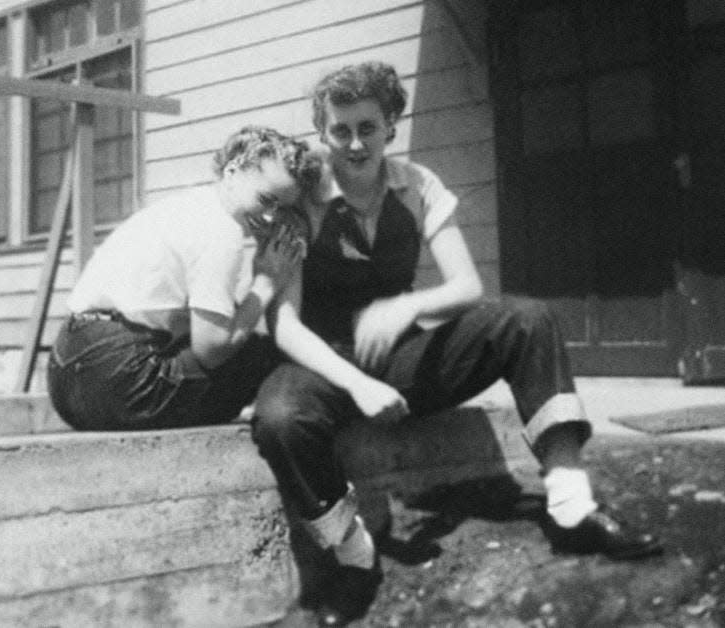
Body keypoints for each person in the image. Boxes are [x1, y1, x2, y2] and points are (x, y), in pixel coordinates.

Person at [250, 62, 663, 626]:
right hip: (321, 363)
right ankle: (354, 557)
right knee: (277, 418)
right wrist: (358, 384)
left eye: (367, 127)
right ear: (321, 133)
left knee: (528, 318)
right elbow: (287, 326)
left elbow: (468, 287)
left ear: (391, 125)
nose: (353, 143)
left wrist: (405, 307)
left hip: (399, 359)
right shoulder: (305, 201)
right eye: (339, 130)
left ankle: (572, 506)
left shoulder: (418, 186)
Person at [47, 126, 316, 430]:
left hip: (65, 373)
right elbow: (211, 349)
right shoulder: (221, 231)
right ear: (233, 170)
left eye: (282, 208)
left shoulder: (190, 205)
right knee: (259, 355)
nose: (270, 217)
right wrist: (266, 283)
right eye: (266, 199)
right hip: (117, 380)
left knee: (231, 341)